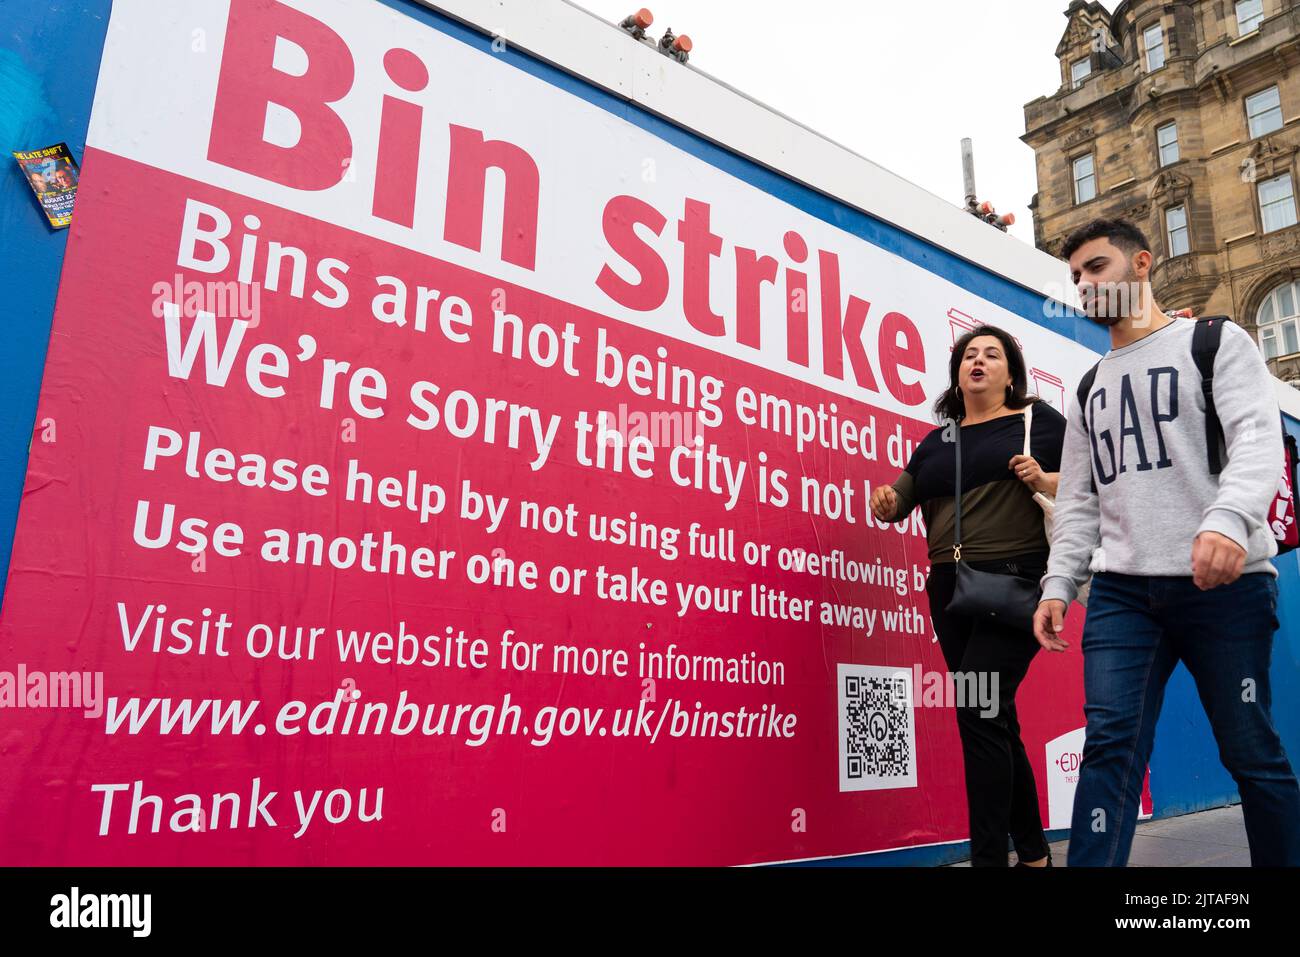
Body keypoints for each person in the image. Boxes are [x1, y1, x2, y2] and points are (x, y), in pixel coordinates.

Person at [1034, 217, 1300, 867]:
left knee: (1248, 748)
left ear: (1143, 263)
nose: (1084, 284)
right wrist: (1058, 582)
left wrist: (1227, 520)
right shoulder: (1090, 386)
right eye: (1074, 276)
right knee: (1110, 749)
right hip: (1124, 592)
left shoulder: (1215, 341)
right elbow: (1077, 500)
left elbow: (1257, 440)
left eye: (1097, 267)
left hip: (1227, 587)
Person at [870, 324, 1066, 867]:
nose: (977, 361)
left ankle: (988, 860)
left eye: (991, 355)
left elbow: (1096, 482)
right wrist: (885, 500)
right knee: (994, 716)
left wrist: (1047, 480)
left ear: (1011, 374)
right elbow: (900, 497)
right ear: (958, 373)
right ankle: (1033, 854)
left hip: (1016, 580)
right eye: (968, 355)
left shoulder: (1038, 423)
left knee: (978, 713)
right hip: (949, 588)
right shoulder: (938, 440)